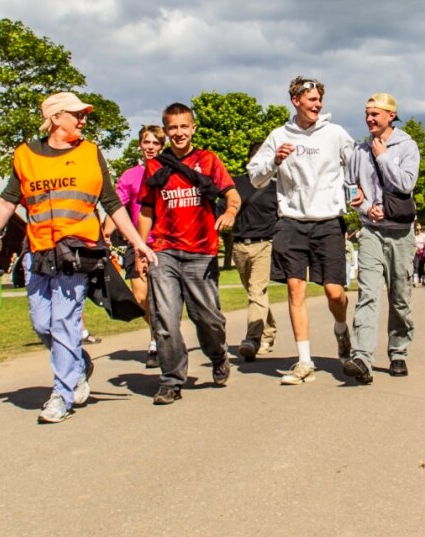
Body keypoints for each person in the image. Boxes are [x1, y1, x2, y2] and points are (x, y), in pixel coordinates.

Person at [0, 92, 155, 424]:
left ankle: (61, 394)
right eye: (75, 114)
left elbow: (112, 203)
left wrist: (137, 242)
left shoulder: (91, 153)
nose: (83, 120)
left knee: (65, 321)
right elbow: (7, 203)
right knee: (41, 322)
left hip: (77, 251)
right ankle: (77, 364)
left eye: (83, 115)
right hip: (38, 251)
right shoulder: (25, 156)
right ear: (55, 118)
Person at [248, 76, 356, 386]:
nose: (317, 104)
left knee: (334, 293)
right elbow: (255, 175)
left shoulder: (335, 134)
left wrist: (360, 190)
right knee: (296, 288)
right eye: (311, 99)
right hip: (292, 222)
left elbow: (357, 166)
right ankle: (305, 360)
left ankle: (340, 329)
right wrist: (274, 159)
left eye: (320, 99)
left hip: (328, 221)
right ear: (296, 100)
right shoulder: (279, 135)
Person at [138, 102, 240, 405]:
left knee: (208, 319)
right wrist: (141, 248)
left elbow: (231, 195)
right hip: (164, 251)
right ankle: (171, 380)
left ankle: (218, 355)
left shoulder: (208, 160)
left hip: (201, 251)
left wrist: (231, 212)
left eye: (184, 127)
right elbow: (146, 208)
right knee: (166, 320)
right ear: (165, 130)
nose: (179, 133)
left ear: (193, 128)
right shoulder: (155, 165)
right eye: (173, 128)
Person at [344, 92, 421, 384]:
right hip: (371, 231)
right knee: (368, 294)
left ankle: (398, 352)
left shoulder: (407, 146)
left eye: (375, 113)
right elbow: (349, 188)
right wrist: (365, 207)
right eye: (366, 113)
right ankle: (361, 357)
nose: (369, 119)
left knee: (400, 297)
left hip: (401, 233)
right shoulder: (358, 151)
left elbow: (405, 183)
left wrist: (383, 156)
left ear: (391, 115)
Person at [104, 124, 165, 368]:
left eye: (155, 143)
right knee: (141, 297)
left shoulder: (168, 172)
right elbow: (116, 207)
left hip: (162, 241)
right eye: (146, 142)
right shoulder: (130, 176)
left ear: (162, 146)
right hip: (136, 243)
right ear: (140, 144)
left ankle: (157, 343)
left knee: (161, 297)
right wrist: (106, 232)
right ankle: (158, 334)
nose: (150, 147)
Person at [230, 141, 279, 362]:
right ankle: (268, 332)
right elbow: (223, 210)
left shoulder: (277, 187)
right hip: (239, 246)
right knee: (255, 293)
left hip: (264, 245)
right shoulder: (235, 184)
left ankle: (252, 339)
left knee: (256, 292)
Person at [413, 222, 425, 286]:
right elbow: (411, 244)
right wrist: (415, 248)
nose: (418, 231)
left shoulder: (423, 235)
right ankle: (415, 281)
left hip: (422, 252)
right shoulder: (413, 235)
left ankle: (423, 280)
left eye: (420, 229)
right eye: (417, 229)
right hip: (415, 252)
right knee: (416, 266)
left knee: (421, 267)